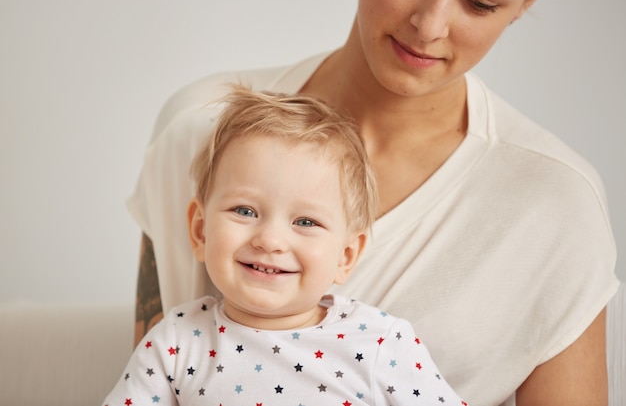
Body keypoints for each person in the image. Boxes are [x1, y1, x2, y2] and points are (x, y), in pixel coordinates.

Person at [128, 0, 620, 405]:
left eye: (479, 1)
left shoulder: (558, 205)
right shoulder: (199, 128)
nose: (428, 26)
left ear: (525, 0)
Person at [104, 86, 468, 406]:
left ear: (346, 256)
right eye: (245, 211)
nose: (271, 240)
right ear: (200, 231)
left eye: (305, 222)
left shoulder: (379, 343)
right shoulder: (179, 340)